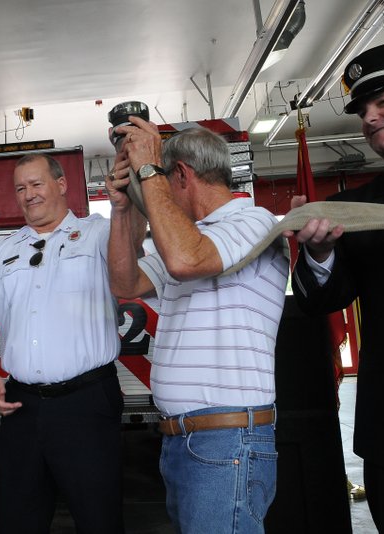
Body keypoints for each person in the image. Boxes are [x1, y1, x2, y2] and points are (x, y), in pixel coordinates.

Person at [106, 122, 288, 534]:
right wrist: (121, 208)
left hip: (227, 439)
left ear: (181, 175)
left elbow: (187, 261)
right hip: (184, 439)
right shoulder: (188, 236)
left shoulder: (254, 223)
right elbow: (125, 283)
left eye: (162, 180)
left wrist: (148, 170)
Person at [286, 40, 384, 532]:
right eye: (363, 108)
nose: (369, 116)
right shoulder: (356, 206)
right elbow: (326, 297)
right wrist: (318, 253)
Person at [0, 154, 125, 534]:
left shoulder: (98, 233)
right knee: (17, 521)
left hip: (87, 403)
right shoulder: (2, 253)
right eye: (20, 188)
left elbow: (131, 252)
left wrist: (125, 203)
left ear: (61, 184)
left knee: (100, 520)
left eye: (36, 184)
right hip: (22, 408)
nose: (28, 195)